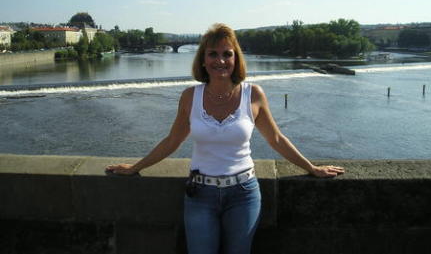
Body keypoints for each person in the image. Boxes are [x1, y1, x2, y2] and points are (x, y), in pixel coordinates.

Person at [106, 23, 344, 254]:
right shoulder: (190, 97)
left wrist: (312, 168)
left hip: (244, 193)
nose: (220, 61)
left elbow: (276, 139)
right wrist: (135, 167)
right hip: (201, 194)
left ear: (236, 59)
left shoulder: (253, 94)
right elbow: (172, 141)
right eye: (213, 54)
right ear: (203, 59)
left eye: (227, 54)